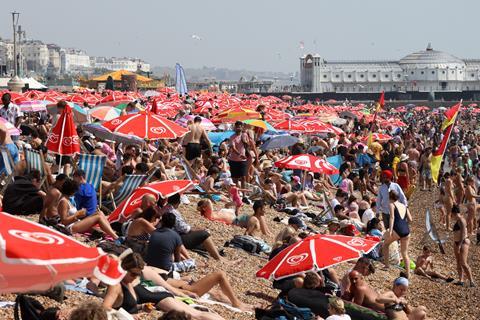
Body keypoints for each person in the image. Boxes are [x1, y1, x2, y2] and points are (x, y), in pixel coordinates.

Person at [103, 252, 224, 320]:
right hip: (158, 298)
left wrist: (141, 307)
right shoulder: (117, 286)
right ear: (123, 268)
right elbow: (104, 308)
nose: (135, 277)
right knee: (196, 315)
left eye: (138, 275)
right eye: (133, 274)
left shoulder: (128, 282)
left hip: (160, 298)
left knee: (197, 315)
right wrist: (132, 314)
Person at [161, 194, 222, 260]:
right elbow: (184, 229)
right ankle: (218, 258)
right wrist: (199, 230)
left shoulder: (164, 208)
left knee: (198, 235)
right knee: (204, 234)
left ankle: (214, 250)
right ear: (178, 202)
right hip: (176, 238)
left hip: (169, 235)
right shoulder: (172, 212)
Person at [382, 191, 412, 278]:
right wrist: (404, 225)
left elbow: (392, 217)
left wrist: (390, 231)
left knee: (385, 245)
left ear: (390, 197)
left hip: (397, 229)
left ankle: (387, 266)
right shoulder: (404, 205)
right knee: (404, 253)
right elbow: (410, 219)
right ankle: (408, 274)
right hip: (406, 230)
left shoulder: (392, 205)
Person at [451, 204, 475, 287]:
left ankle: (471, 281)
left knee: (463, 263)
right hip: (457, 242)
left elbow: (463, 234)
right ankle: (461, 280)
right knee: (458, 262)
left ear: (454, 213)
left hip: (463, 242)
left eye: (452, 214)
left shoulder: (461, 220)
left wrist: (459, 245)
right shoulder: (458, 219)